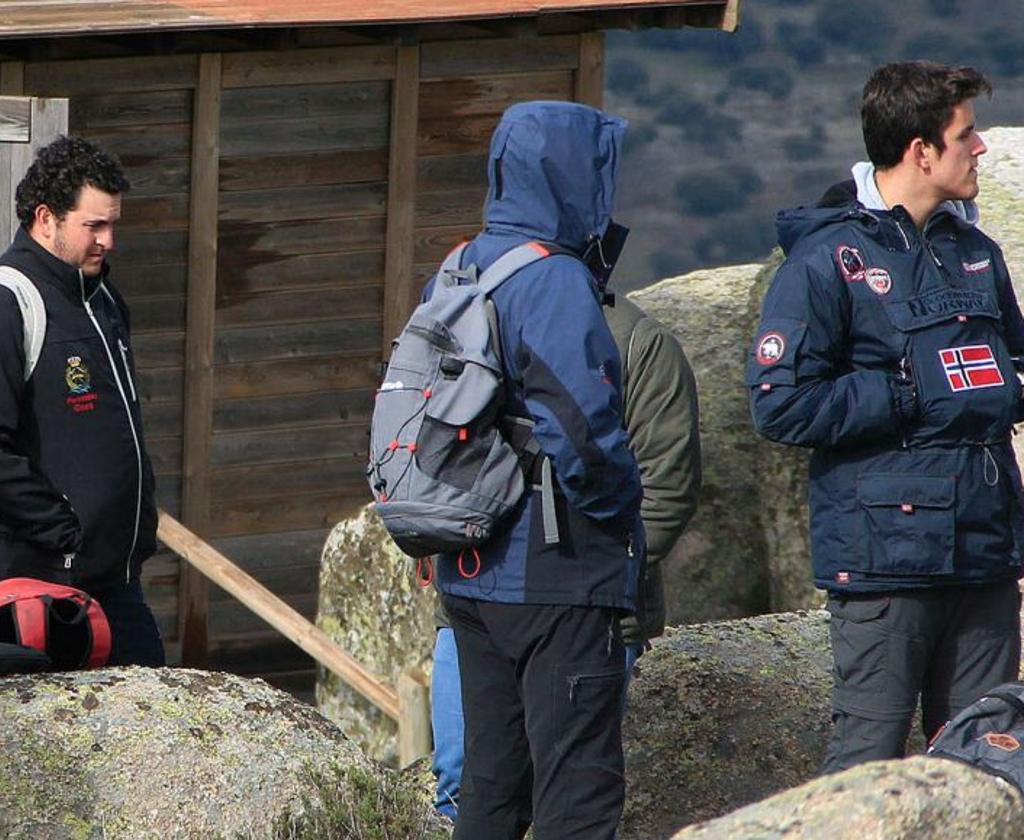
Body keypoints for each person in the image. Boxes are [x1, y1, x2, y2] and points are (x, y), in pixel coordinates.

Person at [748, 61, 1024, 773]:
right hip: (885, 562)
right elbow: (780, 404)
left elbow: (1011, 370)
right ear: (921, 150)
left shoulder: (976, 254)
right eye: (967, 134)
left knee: (987, 761)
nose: (981, 149)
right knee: (868, 765)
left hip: (986, 554)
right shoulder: (826, 261)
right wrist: (905, 391)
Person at [431, 100, 645, 840]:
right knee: (577, 793)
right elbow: (584, 433)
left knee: (491, 785)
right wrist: (621, 513)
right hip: (552, 574)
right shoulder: (553, 280)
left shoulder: (459, 266)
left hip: (468, 565)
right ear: (572, 175)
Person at [430, 294, 702, 819]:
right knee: (464, 790)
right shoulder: (470, 325)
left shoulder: (638, 344)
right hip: (473, 607)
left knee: (568, 795)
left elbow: (666, 490)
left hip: (589, 611)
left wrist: (596, 583)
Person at [0, 135, 164, 667]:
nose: (108, 241)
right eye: (93, 226)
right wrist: (69, 535)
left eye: (113, 225)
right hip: (32, 587)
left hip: (113, 581)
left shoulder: (104, 302)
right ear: (46, 218)